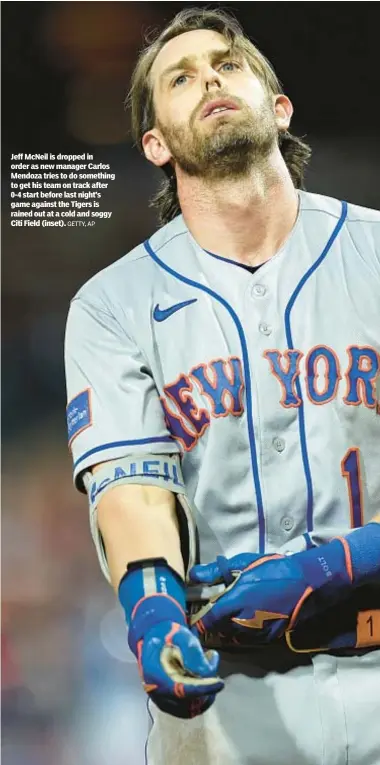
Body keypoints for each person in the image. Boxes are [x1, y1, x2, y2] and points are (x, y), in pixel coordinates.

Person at [64, 8, 380, 765]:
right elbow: (132, 483)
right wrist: (151, 608)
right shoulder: (112, 303)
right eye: (180, 76)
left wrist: (340, 566)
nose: (208, 75)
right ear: (155, 143)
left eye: (229, 63)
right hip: (228, 698)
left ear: (279, 108)